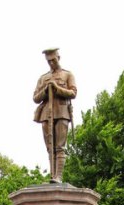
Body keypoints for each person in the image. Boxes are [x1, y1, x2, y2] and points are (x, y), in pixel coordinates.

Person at [33, 48, 77, 182]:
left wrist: (57, 89)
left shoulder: (67, 75)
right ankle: (52, 175)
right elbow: (35, 98)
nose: (51, 63)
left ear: (59, 58)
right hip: (46, 114)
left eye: (53, 60)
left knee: (59, 146)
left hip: (62, 112)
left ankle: (59, 176)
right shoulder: (43, 78)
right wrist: (46, 90)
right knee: (49, 147)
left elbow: (73, 93)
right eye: (49, 61)